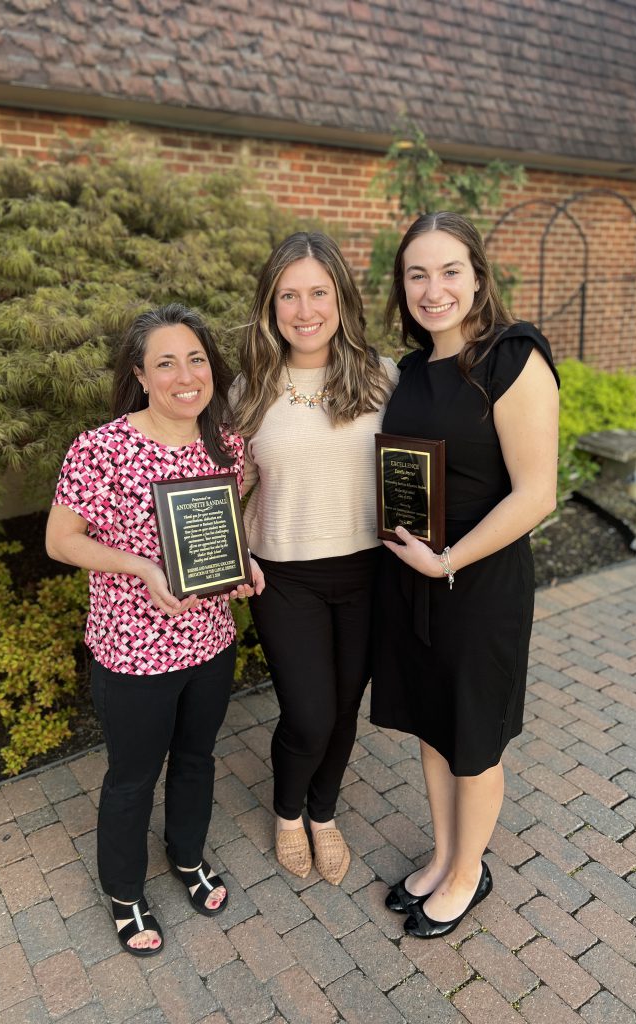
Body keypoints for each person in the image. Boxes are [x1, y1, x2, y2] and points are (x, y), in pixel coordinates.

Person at [46, 304, 264, 957]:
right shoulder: (101, 449)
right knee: (133, 777)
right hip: (132, 651)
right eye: (165, 362)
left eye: (195, 358)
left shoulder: (227, 445)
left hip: (209, 643)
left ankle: (187, 856)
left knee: (197, 759)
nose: (184, 374)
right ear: (141, 374)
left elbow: (224, 530)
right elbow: (60, 541)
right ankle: (124, 891)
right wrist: (140, 566)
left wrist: (243, 562)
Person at [370, 212, 559, 938]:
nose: (433, 288)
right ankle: (447, 854)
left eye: (449, 270)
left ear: (479, 276)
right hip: (414, 580)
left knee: (473, 738)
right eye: (417, 274)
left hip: (477, 586)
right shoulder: (411, 371)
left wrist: (448, 559)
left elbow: (535, 493)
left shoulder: (514, 358)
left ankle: (468, 875)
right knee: (432, 725)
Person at [231, 232, 398, 884]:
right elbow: (224, 489)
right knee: (309, 713)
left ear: (341, 297)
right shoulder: (248, 390)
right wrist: (228, 553)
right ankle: (286, 809)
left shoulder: (384, 377)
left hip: (368, 572)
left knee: (346, 709)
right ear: (271, 306)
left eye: (318, 292)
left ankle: (322, 814)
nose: (305, 309)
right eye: (289, 295)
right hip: (283, 575)